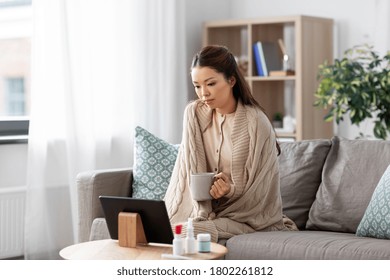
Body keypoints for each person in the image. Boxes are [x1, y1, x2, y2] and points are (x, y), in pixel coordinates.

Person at [164, 45, 297, 242]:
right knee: (163, 227)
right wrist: (203, 210)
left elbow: (259, 194)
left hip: (244, 217)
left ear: (231, 80)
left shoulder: (256, 122)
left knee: (183, 231)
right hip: (204, 213)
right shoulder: (193, 114)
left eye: (210, 84)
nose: (203, 93)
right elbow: (190, 171)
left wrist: (230, 190)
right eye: (197, 86)